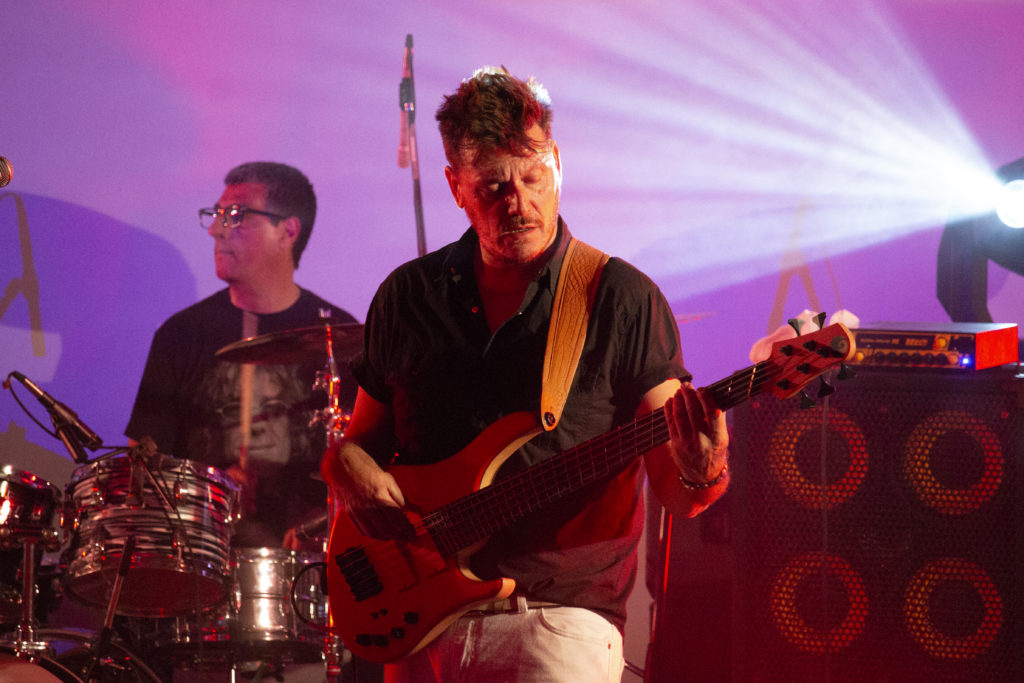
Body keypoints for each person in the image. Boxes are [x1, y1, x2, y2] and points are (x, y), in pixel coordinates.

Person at [321, 67, 730, 682]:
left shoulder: (621, 298)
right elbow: (361, 445)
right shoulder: (408, 296)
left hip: (554, 620)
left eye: (533, 176)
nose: (519, 203)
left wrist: (705, 469)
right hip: (419, 622)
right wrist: (342, 466)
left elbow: (680, 490)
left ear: (557, 162)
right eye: (491, 187)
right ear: (455, 186)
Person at [126, 161, 357, 549]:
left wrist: (318, 525)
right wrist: (210, 485)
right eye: (216, 215)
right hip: (201, 558)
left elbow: (374, 466)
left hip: (311, 565)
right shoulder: (182, 335)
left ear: (288, 231)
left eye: (235, 216)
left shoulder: (344, 340)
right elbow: (142, 469)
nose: (217, 229)